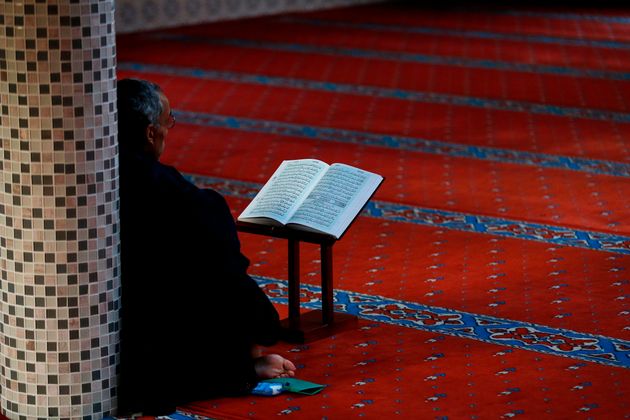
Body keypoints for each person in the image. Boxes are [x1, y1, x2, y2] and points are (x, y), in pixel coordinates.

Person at [116, 78, 296, 415]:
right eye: (168, 121)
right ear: (150, 133)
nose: (170, 129)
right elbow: (227, 280)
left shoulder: (81, 183)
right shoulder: (182, 199)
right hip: (149, 351)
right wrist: (263, 332)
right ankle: (232, 372)